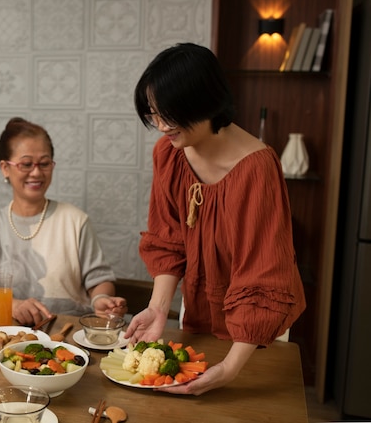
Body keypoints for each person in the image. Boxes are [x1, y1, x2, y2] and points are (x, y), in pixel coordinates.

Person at [124, 43, 306, 395]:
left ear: (205, 102)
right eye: (154, 115)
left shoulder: (257, 168)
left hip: (257, 332)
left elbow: (265, 274)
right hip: (198, 314)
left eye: (169, 115)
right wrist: (158, 308)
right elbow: (168, 238)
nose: (161, 127)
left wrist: (230, 369)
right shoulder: (170, 154)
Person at [0, 117, 127, 326]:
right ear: (5, 168)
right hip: (9, 337)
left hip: (67, 336)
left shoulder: (76, 221)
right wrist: (13, 305)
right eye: (26, 164)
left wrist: (101, 299)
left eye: (45, 163)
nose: (37, 172)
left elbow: (99, 279)